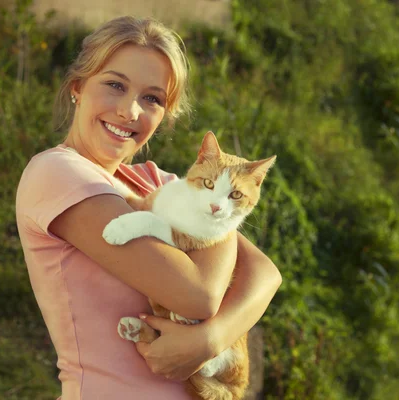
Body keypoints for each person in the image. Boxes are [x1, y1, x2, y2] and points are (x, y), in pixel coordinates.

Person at [15, 16, 282, 400]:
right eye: (115, 85)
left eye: (152, 97)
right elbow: (198, 295)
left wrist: (210, 339)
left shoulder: (156, 182)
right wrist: (216, 234)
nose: (131, 111)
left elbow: (266, 274)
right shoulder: (57, 174)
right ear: (78, 87)